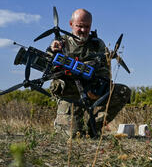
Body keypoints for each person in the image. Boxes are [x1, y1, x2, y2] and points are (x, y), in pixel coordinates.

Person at [49, 9, 130, 137]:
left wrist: (97, 89)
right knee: (73, 136)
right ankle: (64, 122)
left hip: (92, 91)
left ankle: (94, 127)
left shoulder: (98, 44)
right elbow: (48, 68)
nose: (83, 30)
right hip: (71, 95)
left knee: (123, 92)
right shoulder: (60, 43)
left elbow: (105, 72)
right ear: (71, 24)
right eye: (79, 26)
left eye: (87, 27)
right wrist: (52, 52)